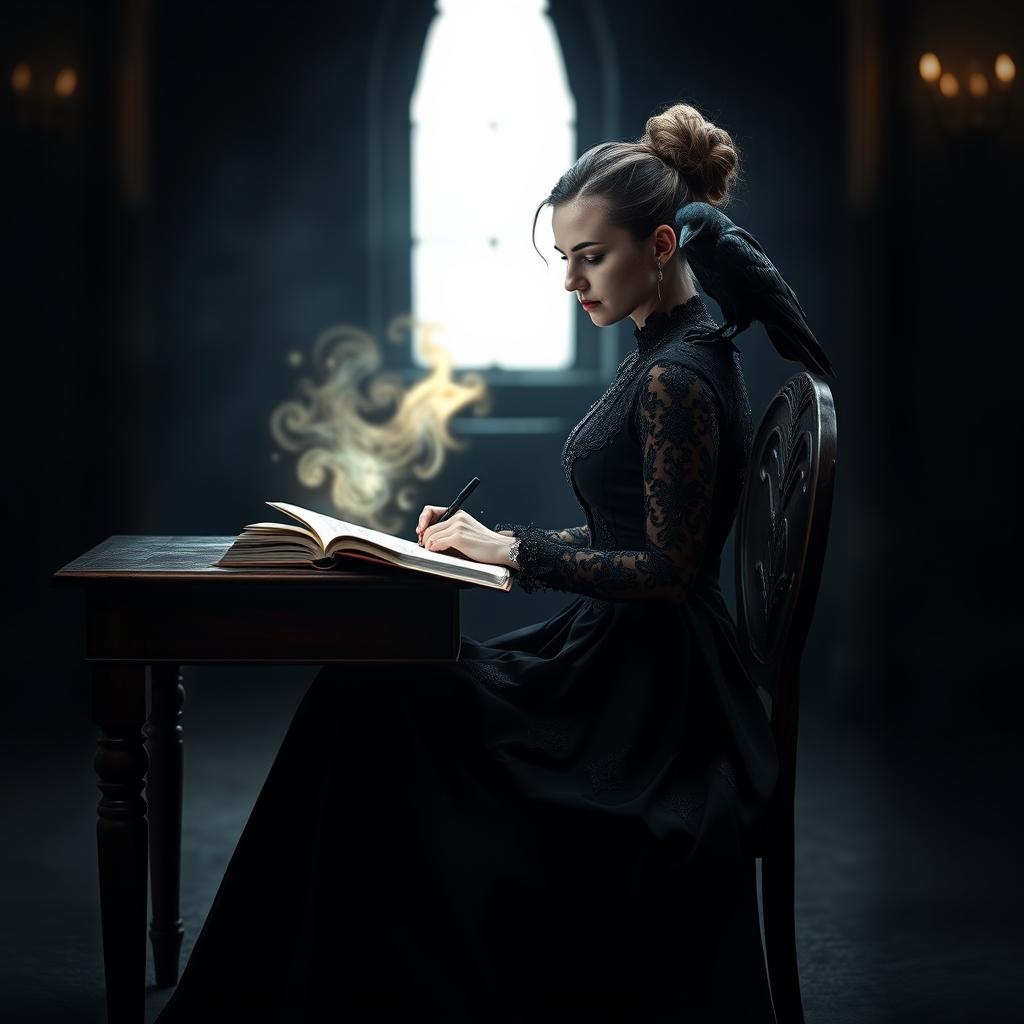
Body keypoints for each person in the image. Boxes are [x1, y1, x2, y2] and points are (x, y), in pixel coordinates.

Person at [156, 101, 816, 1023]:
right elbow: (669, 533)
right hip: (611, 663)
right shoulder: (669, 350)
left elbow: (670, 570)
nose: (572, 281)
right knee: (371, 692)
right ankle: (312, 991)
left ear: (662, 245)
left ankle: (285, 997)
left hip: (646, 707)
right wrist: (485, 548)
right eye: (566, 258)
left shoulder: (676, 376)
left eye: (592, 257)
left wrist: (513, 551)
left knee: (370, 699)